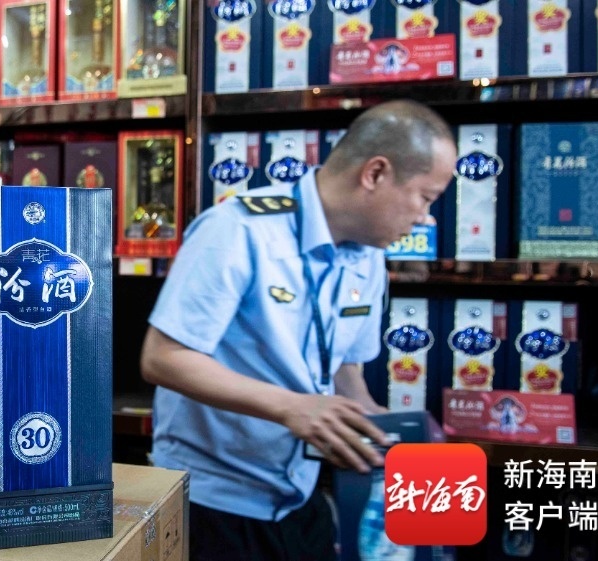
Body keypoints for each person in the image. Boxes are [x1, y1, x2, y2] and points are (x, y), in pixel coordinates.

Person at [140, 99, 457, 561]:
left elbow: (344, 370)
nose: (427, 217)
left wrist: (380, 428)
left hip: (302, 496)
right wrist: (293, 408)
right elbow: (162, 357)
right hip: (213, 504)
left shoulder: (368, 256)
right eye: (425, 197)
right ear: (375, 173)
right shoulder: (238, 230)